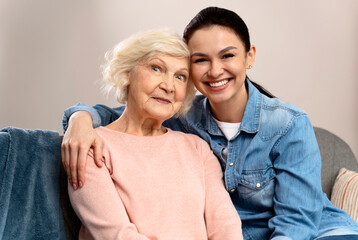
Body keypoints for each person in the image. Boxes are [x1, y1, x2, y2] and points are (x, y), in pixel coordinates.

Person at [62, 7, 358, 240]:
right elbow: (127, 116)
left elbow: (296, 225)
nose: (215, 70)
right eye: (200, 60)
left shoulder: (287, 124)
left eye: (227, 55)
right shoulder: (182, 118)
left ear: (249, 56)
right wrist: (79, 118)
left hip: (317, 233)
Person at [67, 29, 244, 240]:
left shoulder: (197, 148)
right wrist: (78, 117)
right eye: (156, 68)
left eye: (180, 77)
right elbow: (117, 236)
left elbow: (225, 225)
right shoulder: (91, 146)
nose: (168, 86)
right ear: (126, 73)